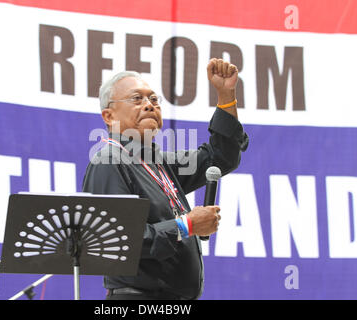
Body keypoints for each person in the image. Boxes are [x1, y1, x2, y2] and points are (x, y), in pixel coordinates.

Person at [82, 58, 249, 300]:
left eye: (153, 99)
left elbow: (221, 158)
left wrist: (226, 96)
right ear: (109, 116)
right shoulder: (108, 161)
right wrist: (186, 225)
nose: (149, 105)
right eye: (136, 99)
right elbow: (117, 242)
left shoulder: (159, 162)